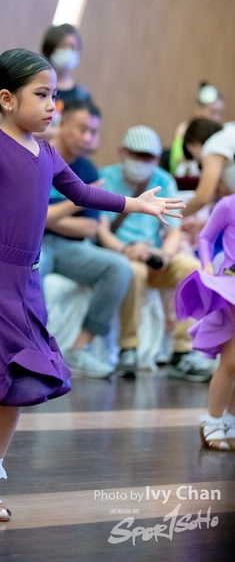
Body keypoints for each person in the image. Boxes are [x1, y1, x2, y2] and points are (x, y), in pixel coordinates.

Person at [0, 48, 183, 527]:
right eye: (41, 95)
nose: (51, 106)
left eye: (54, 96)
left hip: (26, 282)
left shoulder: (47, 152)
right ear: (7, 98)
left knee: (21, 383)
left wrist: (136, 203)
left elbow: (83, 193)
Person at [98, 125, 211, 381]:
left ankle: (183, 352)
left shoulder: (164, 181)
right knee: (132, 271)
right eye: (136, 155)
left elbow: (173, 231)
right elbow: (101, 230)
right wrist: (126, 250)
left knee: (192, 269)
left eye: (148, 157)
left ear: (157, 158)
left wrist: (166, 256)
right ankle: (128, 348)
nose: (141, 162)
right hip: (120, 254)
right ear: (121, 152)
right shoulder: (106, 179)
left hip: (155, 254)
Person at [40, 99, 132, 377]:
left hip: (71, 249)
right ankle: (32, 350)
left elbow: (90, 228)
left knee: (119, 268)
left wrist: (45, 216)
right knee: (29, 269)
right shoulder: (35, 157)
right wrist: (74, 204)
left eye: (93, 132)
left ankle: (80, 349)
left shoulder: (88, 171)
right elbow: (24, 217)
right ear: (62, 124)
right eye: (82, 129)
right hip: (33, 243)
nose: (87, 138)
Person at [176, 194, 235, 450]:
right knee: (231, 361)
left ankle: (230, 421)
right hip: (230, 288)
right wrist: (207, 265)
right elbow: (206, 237)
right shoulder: (229, 204)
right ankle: (212, 420)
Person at [40, 23, 93, 139]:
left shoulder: (82, 95)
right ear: (50, 49)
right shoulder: (37, 86)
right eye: (63, 46)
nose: (68, 51)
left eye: (73, 47)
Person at [169, 81, 225, 176]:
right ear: (198, 109)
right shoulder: (184, 129)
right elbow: (175, 164)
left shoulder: (222, 132)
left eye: (220, 113)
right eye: (213, 112)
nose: (217, 118)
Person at [182, 118, 235, 217]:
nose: (198, 161)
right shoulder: (229, 130)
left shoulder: (212, 145)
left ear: (194, 143)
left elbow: (202, 198)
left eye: (193, 155)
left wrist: (175, 216)